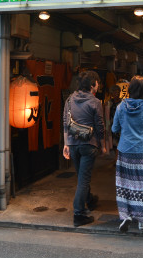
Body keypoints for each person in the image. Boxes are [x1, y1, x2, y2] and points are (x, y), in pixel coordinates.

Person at [112, 75, 143, 232]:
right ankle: (142, 220)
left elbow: (114, 129)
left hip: (125, 151)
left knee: (125, 185)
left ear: (130, 89)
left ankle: (126, 215)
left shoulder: (120, 107)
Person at [63, 70, 106, 227]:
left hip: (74, 145)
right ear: (93, 85)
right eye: (97, 83)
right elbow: (100, 126)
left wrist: (66, 144)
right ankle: (79, 213)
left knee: (81, 177)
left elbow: (65, 123)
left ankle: (89, 200)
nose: (98, 86)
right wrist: (103, 145)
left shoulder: (69, 100)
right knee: (83, 180)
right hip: (89, 144)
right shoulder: (95, 102)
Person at [104, 84, 122, 158]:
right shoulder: (108, 103)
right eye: (114, 92)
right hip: (111, 124)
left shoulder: (122, 102)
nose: (116, 94)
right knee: (113, 143)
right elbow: (105, 116)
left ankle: (116, 160)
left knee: (119, 142)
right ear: (111, 93)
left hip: (120, 125)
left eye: (118, 92)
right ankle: (116, 158)